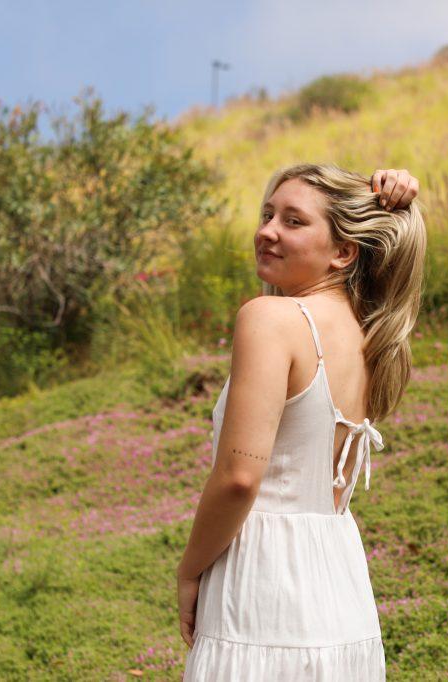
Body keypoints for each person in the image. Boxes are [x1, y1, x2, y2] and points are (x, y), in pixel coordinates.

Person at [178, 165, 424, 681]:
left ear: (343, 252)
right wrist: (392, 191)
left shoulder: (271, 320)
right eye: (268, 214)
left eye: (293, 221)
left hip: (264, 586)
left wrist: (190, 569)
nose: (268, 231)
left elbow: (240, 478)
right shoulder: (368, 335)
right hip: (340, 586)